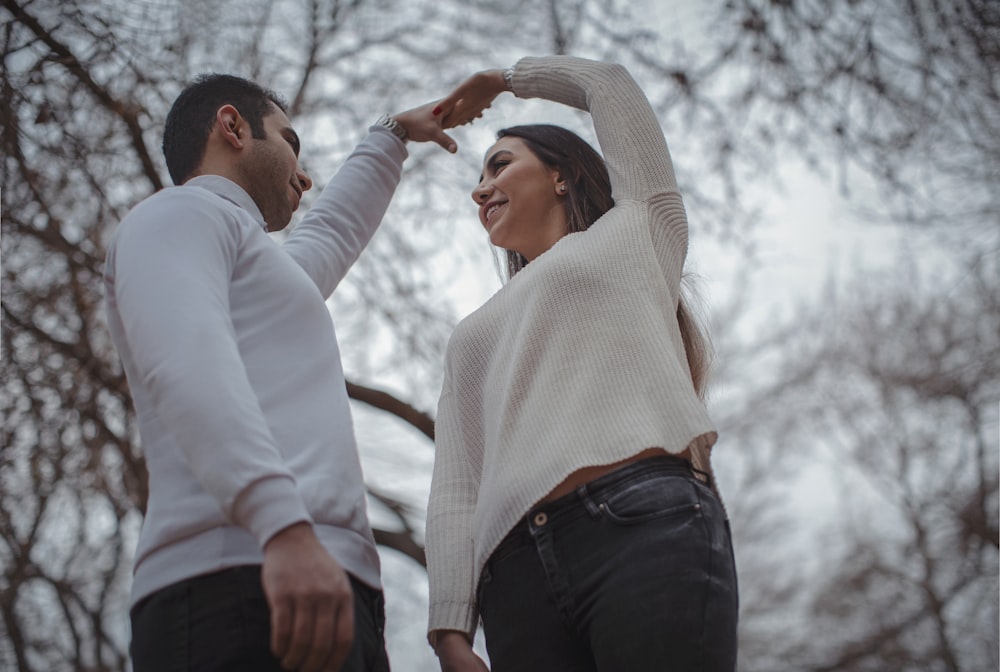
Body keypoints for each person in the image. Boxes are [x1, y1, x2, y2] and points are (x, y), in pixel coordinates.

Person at [103, 73, 458, 672]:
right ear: (233, 127)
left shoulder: (265, 266)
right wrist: (282, 527)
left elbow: (332, 229)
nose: (305, 173)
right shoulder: (177, 215)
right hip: (237, 581)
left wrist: (394, 134)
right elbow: (185, 364)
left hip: (325, 583)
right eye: (291, 141)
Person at [424, 56, 739, 671]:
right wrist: (449, 629)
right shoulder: (471, 335)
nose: (479, 188)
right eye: (479, 176)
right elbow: (456, 484)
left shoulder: (636, 230)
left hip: (644, 525)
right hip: (513, 579)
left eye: (500, 164)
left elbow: (609, 86)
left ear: (562, 175)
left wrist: (506, 80)